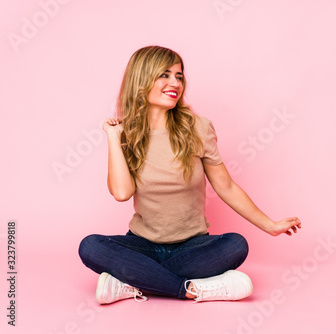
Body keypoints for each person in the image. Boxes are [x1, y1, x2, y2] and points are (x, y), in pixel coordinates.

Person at [78, 45, 302, 304]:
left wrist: (270, 226)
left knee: (236, 244)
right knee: (90, 246)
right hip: (142, 246)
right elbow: (121, 193)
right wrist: (113, 138)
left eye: (179, 76)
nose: (175, 83)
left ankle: (134, 282)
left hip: (193, 247)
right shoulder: (126, 134)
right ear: (141, 79)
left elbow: (226, 186)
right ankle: (191, 289)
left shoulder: (197, 128)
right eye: (164, 74)